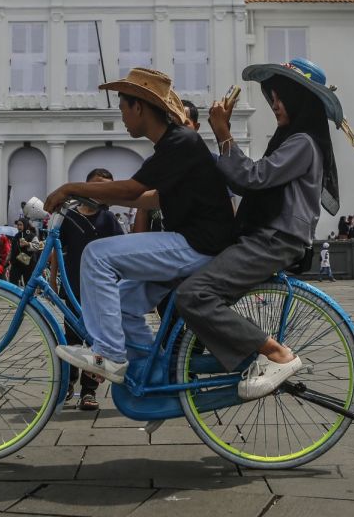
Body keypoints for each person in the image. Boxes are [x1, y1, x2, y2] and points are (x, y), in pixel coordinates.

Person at [177, 58, 354, 400]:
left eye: (281, 97)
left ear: (299, 100)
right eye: (272, 97)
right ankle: (188, 366)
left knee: (194, 295)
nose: (274, 104)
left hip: (274, 238)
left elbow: (252, 177)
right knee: (192, 289)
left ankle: (276, 354)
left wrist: (223, 134)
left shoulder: (302, 143)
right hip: (268, 236)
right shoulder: (293, 140)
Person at [44, 68, 235, 385]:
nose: (121, 117)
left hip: (198, 245)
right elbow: (153, 198)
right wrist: (101, 197)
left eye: (122, 108)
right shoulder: (174, 144)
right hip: (195, 244)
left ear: (139, 107)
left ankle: (108, 353)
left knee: (96, 255)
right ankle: (152, 374)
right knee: (121, 302)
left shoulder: (180, 141)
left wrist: (71, 188)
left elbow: (133, 189)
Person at [49, 168, 125, 410]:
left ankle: (89, 391)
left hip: (100, 290)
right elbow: (56, 248)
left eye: (107, 186)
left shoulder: (108, 219)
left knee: (96, 342)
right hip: (73, 285)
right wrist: (53, 278)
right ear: (86, 186)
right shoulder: (70, 217)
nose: (102, 191)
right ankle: (68, 384)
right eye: (98, 185)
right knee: (71, 338)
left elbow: (121, 251)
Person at [8, 219, 37, 286]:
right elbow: (12, 250)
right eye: (18, 225)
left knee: (28, 283)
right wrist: (8, 260)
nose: (19, 227)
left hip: (28, 264)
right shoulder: (16, 236)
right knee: (13, 281)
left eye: (21, 225)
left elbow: (37, 246)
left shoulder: (31, 235)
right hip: (16, 263)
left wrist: (28, 244)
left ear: (25, 225)